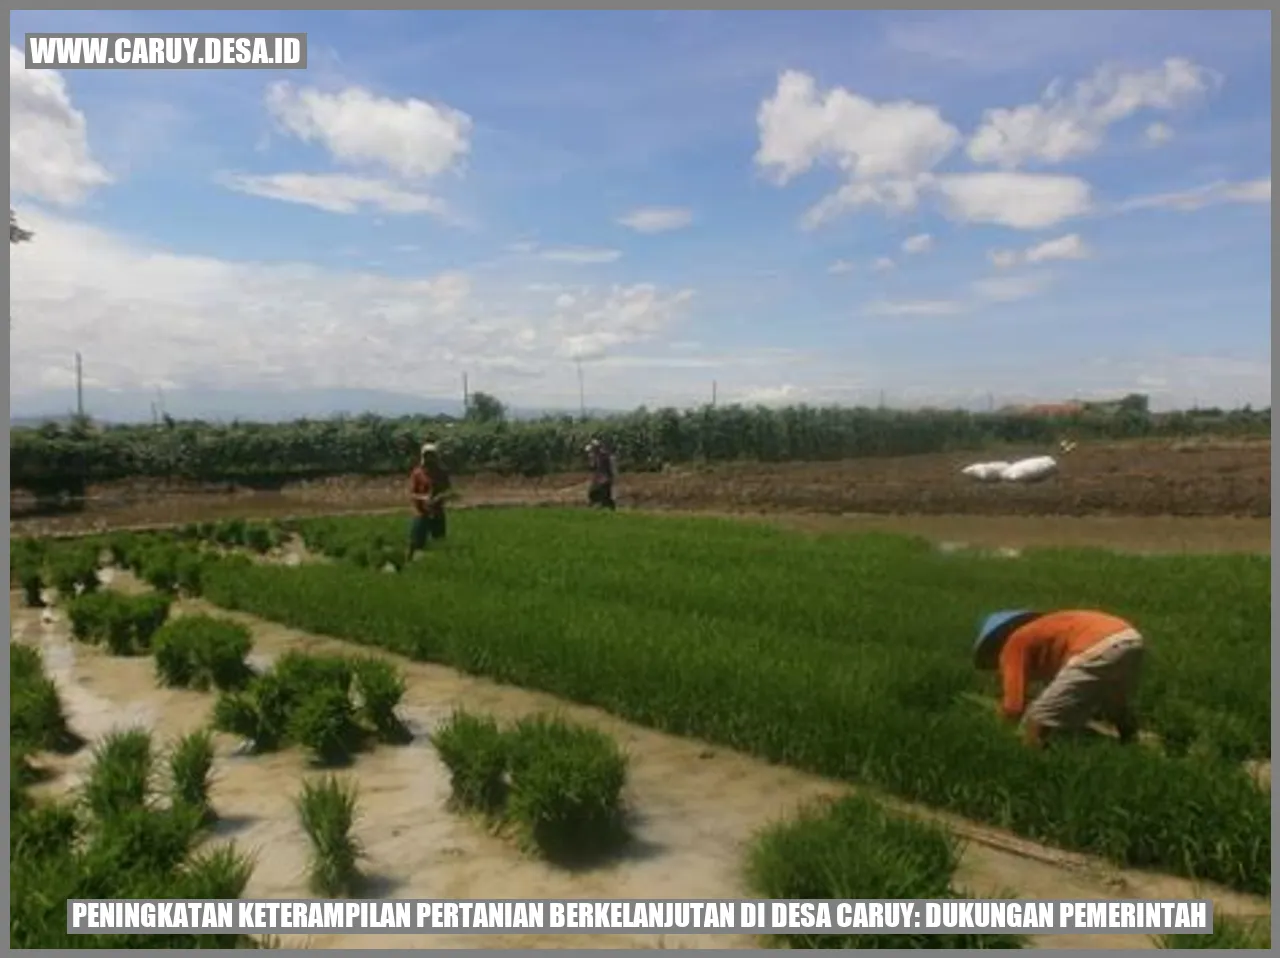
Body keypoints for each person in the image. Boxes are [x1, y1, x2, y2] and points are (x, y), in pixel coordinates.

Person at [972, 609, 1145, 749]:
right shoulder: (1041, 630)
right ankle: (1131, 742)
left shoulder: (1013, 644)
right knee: (1113, 703)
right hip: (1129, 637)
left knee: (1038, 716)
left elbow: (1013, 705)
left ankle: (1032, 760)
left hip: (1096, 645)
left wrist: (1000, 729)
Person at [407, 443, 452, 561]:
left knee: (439, 542)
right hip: (421, 513)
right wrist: (424, 498)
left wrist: (440, 497)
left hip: (437, 512)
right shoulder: (417, 473)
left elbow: (448, 491)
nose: (429, 458)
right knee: (416, 542)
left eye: (432, 455)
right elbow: (412, 494)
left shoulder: (442, 472)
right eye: (427, 455)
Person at [585, 438, 617, 511]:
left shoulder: (603, 456)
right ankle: (604, 506)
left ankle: (602, 506)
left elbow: (595, 466)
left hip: (604, 477)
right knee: (601, 493)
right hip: (601, 477)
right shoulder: (598, 456)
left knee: (600, 492)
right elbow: (594, 467)